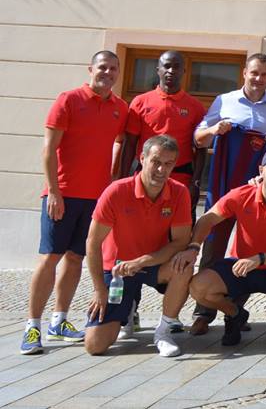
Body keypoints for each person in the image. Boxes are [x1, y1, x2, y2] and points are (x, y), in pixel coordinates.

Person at [21, 50, 128, 355]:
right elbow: (48, 149)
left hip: (95, 199)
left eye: (113, 69)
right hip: (62, 195)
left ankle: (59, 320)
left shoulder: (120, 108)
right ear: (91, 69)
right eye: (102, 67)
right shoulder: (68, 100)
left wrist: (112, 178)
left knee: (76, 258)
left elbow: (120, 141)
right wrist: (53, 191)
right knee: (50, 257)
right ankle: (32, 326)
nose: (107, 73)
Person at [190, 52, 266, 335]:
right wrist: (214, 129)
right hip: (224, 182)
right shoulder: (224, 101)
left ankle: (235, 309)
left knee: (246, 247)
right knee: (214, 243)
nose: (259, 79)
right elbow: (198, 139)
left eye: (265, 75)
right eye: (255, 73)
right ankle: (203, 313)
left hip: (257, 190)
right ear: (245, 72)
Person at [182, 148, 266, 349]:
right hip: (238, 266)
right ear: (261, 170)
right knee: (198, 286)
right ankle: (235, 314)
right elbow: (207, 219)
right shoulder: (242, 194)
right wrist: (193, 246)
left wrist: (259, 259)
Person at [118, 50, 205, 336]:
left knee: (177, 248)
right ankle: (129, 309)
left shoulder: (194, 106)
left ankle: (171, 315)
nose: (171, 71)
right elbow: (131, 144)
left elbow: (199, 149)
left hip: (179, 185)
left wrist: (195, 183)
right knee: (137, 245)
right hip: (143, 185)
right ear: (158, 69)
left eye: (177, 67)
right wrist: (121, 179)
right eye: (166, 66)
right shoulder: (141, 102)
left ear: (183, 72)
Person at [83, 135, 194, 357]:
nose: (161, 169)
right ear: (142, 158)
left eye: (168, 164)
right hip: (117, 271)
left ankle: (163, 332)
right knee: (95, 346)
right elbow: (92, 243)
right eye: (156, 161)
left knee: (186, 264)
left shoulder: (180, 192)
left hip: (154, 264)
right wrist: (99, 290)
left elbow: (181, 241)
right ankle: (127, 308)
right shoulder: (116, 191)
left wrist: (145, 260)